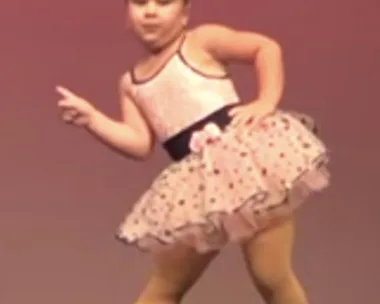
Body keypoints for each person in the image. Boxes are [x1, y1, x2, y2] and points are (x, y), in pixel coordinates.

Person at [56, 0, 330, 303]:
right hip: (196, 189)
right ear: (126, 15)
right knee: (164, 286)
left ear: (185, 13)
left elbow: (264, 48)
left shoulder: (201, 41)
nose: (150, 11)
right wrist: (93, 119)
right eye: (139, 2)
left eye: (163, 2)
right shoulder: (130, 83)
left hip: (247, 168)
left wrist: (266, 100)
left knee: (270, 274)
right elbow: (138, 143)